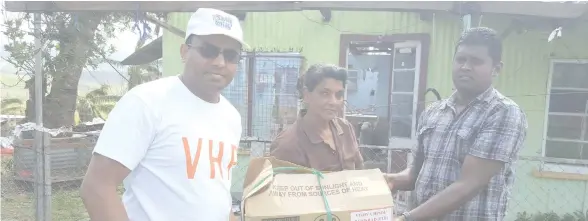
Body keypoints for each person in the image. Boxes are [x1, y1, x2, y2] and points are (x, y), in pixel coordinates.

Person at [80, 8, 246, 221]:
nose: (220, 62)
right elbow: (97, 187)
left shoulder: (231, 117)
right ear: (185, 52)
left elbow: (217, 196)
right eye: (209, 50)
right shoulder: (146, 102)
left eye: (231, 55)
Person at [387, 27, 527, 221]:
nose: (465, 67)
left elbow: (469, 184)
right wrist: (388, 180)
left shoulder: (503, 112)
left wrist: (406, 218)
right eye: (461, 59)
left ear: (496, 68)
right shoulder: (433, 112)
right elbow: (415, 174)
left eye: (476, 61)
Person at [270, 64, 364, 171]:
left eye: (338, 94)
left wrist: (380, 180)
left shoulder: (345, 128)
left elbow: (360, 175)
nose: (333, 102)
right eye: (325, 93)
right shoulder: (287, 145)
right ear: (307, 95)